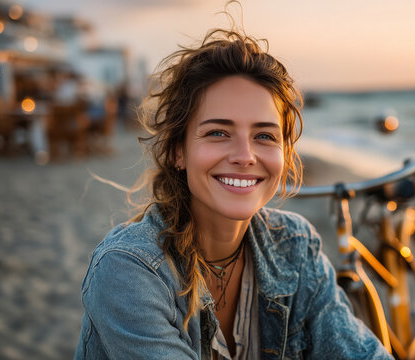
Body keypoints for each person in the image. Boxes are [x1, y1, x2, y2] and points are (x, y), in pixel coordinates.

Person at [74, 28, 392, 360]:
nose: (245, 155)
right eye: (218, 132)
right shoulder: (129, 270)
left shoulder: (295, 245)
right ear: (177, 152)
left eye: (265, 136)